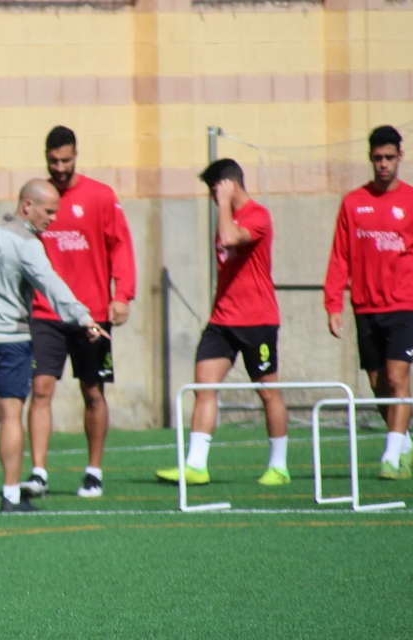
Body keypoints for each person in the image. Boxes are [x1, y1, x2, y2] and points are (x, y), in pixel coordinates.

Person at [0, 180, 107, 513]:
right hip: (10, 340)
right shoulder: (28, 243)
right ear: (28, 206)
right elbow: (51, 284)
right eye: (49, 212)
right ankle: (11, 497)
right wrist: (83, 317)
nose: (52, 219)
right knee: (11, 415)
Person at [323, 125, 413, 479]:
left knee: (398, 378)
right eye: (377, 158)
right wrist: (333, 303)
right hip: (365, 307)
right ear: (370, 158)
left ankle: (390, 456)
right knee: (377, 381)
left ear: (400, 157)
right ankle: (405, 442)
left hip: (402, 306)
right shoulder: (353, 203)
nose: (383, 164)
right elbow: (340, 256)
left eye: (389, 157)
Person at [157, 159, 288, 488]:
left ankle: (278, 465)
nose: (212, 195)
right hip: (222, 319)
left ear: (227, 184)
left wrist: (226, 203)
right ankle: (196, 465)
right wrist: (225, 206)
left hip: (257, 320)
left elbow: (230, 239)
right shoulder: (226, 214)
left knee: (267, 392)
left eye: (214, 188)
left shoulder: (257, 215)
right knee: (204, 386)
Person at [27, 126, 136, 499]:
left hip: (91, 313)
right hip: (44, 312)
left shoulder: (100, 196)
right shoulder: (37, 198)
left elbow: (121, 245)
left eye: (66, 160)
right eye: (53, 160)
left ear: (77, 156)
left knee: (92, 391)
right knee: (40, 389)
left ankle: (93, 471)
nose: (59, 167)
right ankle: (39, 472)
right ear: (46, 157)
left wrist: (122, 294)